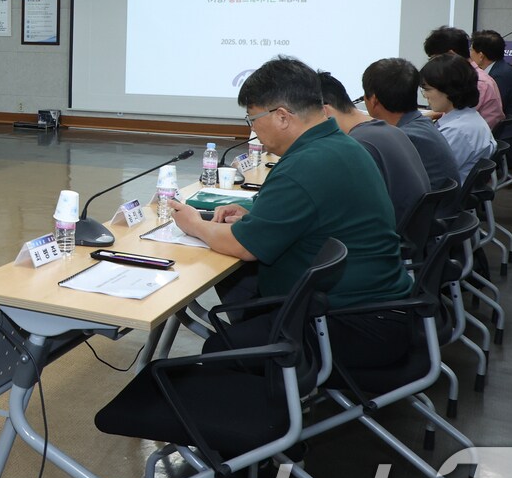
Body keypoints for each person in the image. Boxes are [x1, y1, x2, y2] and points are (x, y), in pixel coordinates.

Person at [169, 56, 411, 371]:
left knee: (220, 347)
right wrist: (251, 215)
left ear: (282, 116)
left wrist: (193, 224)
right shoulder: (341, 145)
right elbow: (312, 216)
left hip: (354, 325)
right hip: (379, 311)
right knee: (241, 290)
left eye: (252, 119)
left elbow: (242, 246)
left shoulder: (306, 164)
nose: (252, 129)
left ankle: (269, 411)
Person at [319, 71, 429, 229]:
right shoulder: (390, 130)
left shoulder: (357, 144)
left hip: (392, 238)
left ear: (324, 111)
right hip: (413, 233)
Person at [361, 57, 460, 189]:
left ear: (374, 100)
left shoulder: (401, 139)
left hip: (427, 209)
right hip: (441, 206)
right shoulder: (420, 125)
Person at [419, 54, 494, 184]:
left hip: (441, 197)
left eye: (428, 89)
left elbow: (426, 174)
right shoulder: (469, 119)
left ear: (449, 90)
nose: (425, 95)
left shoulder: (458, 131)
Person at [470, 29, 512, 170]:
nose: (469, 53)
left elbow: (486, 110)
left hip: (511, 141)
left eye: (471, 49)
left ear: (480, 56)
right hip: (507, 135)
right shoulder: (500, 69)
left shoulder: (499, 76)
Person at [422, 25, 503, 130]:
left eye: (434, 58)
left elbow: (458, 116)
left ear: (451, 54)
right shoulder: (471, 75)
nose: (433, 63)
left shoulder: (477, 82)